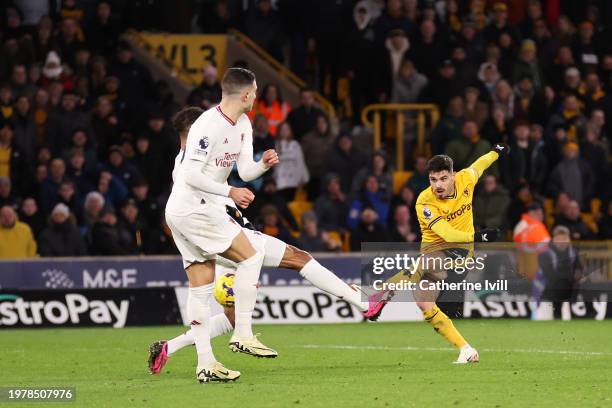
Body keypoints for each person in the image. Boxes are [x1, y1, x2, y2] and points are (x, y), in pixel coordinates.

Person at [149, 104, 391, 378]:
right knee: (299, 258)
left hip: (218, 237)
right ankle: (362, 302)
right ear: (195, 132)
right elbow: (206, 196)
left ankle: (171, 347)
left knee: (227, 313)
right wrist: (232, 196)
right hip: (224, 234)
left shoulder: (186, 161)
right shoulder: (192, 166)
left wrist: (254, 170)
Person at [164, 68, 278, 382]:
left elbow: (244, 170)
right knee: (252, 255)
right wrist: (230, 191)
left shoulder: (242, 123)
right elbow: (191, 174)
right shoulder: (207, 125)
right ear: (245, 94)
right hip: (193, 209)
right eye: (254, 91)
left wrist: (262, 166)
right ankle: (242, 332)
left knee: (200, 289)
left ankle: (205, 364)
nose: (256, 96)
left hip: (186, 213)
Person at [394, 144, 509, 363]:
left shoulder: (466, 179)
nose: (438, 185)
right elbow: (445, 233)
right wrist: (478, 237)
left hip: (460, 255)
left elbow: (480, 165)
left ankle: (377, 296)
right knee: (423, 302)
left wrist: (496, 152)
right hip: (440, 248)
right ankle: (466, 349)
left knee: (426, 264)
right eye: (433, 179)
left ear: (454, 175)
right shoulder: (424, 201)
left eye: (443, 178)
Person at [273, 122, 309, 202]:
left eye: (287, 129)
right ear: (279, 131)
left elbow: (300, 162)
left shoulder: (295, 144)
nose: (285, 131)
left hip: (293, 180)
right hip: (279, 181)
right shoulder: (275, 144)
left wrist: (302, 178)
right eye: (283, 129)